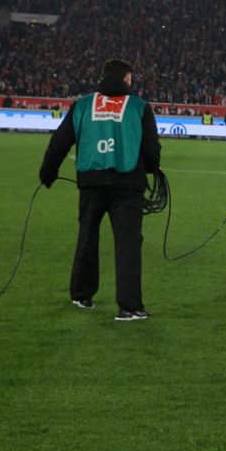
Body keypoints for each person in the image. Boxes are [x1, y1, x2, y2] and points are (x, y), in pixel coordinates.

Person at [38, 58, 161, 320]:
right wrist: (150, 168)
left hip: (91, 182)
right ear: (128, 79)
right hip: (128, 184)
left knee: (87, 237)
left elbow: (60, 141)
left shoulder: (82, 104)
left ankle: (81, 295)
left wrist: (48, 172)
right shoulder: (139, 106)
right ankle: (129, 307)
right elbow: (151, 149)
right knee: (128, 243)